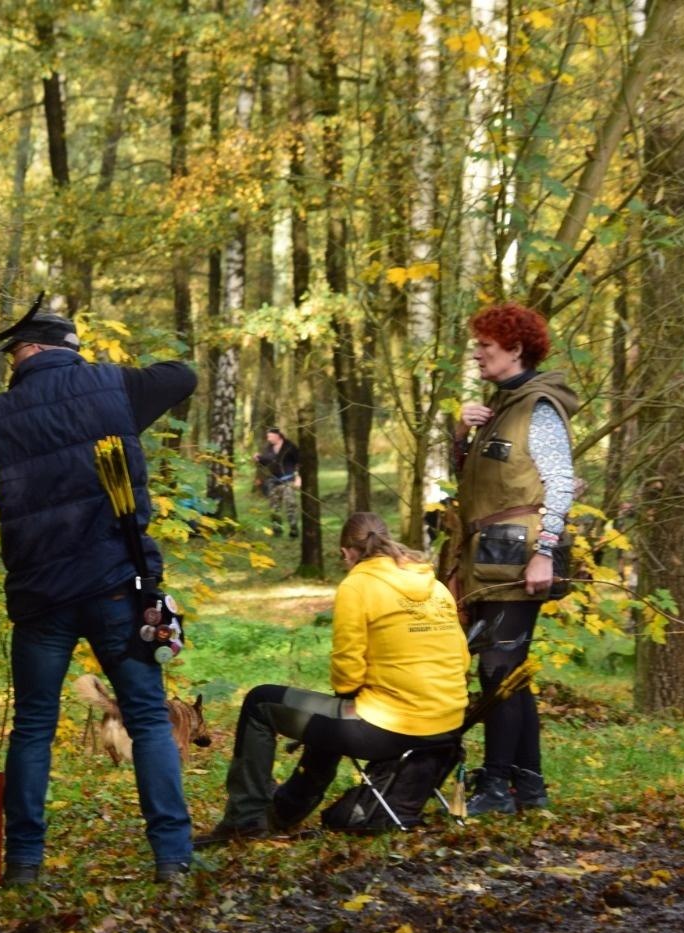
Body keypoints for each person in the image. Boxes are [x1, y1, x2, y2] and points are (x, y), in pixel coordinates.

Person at [0, 310, 197, 885]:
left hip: (40, 599)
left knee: (33, 726)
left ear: (27, 351)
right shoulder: (117, 387)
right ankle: (173, 858)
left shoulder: (0, 417)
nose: (10, 366)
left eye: (11, 355)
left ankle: (25, 865)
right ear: (69, 349)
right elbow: (180, 375)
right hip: (115, 589)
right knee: (149, 720)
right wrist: (106, 376)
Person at [196, 512, 468, 844]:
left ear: (346, 553)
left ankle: (244, 819)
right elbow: (462, 657)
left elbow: (347, 677)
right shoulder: (436, 586)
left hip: (394, 728)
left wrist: (360, 686)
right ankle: (286, 809)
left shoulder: (358, 584)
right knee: (328, 712)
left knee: (259, 701)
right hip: (448, 724)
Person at [450, 301, 579, 815]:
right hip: (488, 559)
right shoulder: (501, 407)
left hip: (521, 557)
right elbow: (475, 483)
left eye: (486, 345)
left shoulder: (539, 407)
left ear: (516, 349)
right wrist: (461, 434)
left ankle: (497, 788)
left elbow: (561, 483)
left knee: (499, 670)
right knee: (508, 671)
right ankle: (528, 787)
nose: (477, 354)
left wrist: (544, 552)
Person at [255, 427, 300, 537]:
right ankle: (277, 531)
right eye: (267, 437)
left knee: (291, 505)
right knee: (274, 508)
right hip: (273, 482)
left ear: (278, 436)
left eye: (270, 436)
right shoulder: (269, 448)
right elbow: (265, 461)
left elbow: (299, 462)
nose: (268, 439)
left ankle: (293, 530)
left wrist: (299, 477)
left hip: (288, 481)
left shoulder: (290, 446)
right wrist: (258, 459)